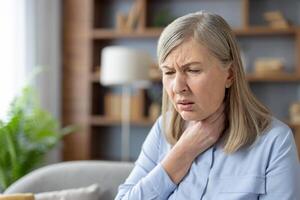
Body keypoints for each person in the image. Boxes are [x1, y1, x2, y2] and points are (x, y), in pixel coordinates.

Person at [115, 11, 300, 200]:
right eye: (169, 72)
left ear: (229, 74)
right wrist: (182, 154)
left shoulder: (275, 141)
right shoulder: (163, 129)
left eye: (193, 70)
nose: (178, 87)